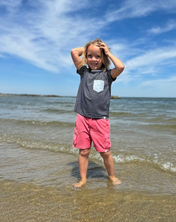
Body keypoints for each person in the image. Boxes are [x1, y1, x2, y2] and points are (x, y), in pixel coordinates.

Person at [70, 38, 125, 187]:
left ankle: (112, 176)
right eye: (90, 56)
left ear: (103, 58)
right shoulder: (83, 72)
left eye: (98, 56)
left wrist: (107, 51)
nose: (93, 59)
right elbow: (74, 52)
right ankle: (82, 179)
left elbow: (120, 66)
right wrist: (89, 47)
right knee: (84, 151)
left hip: (100, 119)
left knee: (105, 152)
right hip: (83, 117)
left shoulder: (108, 75)